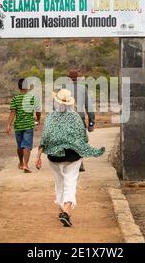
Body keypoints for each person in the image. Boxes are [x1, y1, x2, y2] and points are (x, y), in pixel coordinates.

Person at [35, 89, 105, 227]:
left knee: (59, 183)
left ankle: (62, 209)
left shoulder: (51, 117)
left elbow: (45, 138)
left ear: (57, 102)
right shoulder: (75, 117)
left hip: (54, 157)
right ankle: (66, 210)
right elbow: (83, 137)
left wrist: (38, 156)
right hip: (73, 156)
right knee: (70, 183)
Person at [6, 78, 41, 173]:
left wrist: (8, 124)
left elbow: (12, 113)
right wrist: (38, 119)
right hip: (29, 125)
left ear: (19, 87)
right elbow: (38, 110)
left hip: (18, 126)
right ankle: (26, 165)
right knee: (27, 145)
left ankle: (21, 163)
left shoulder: (15, 99)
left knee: (19, 145)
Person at [65, 69, 96, 172]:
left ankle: (69, 163)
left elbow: (56, 106)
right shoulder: (83, 89)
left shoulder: (63, 89)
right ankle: (79, 163)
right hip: (79, 118)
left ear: (68, 78)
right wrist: (91, 123)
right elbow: (90, 107)